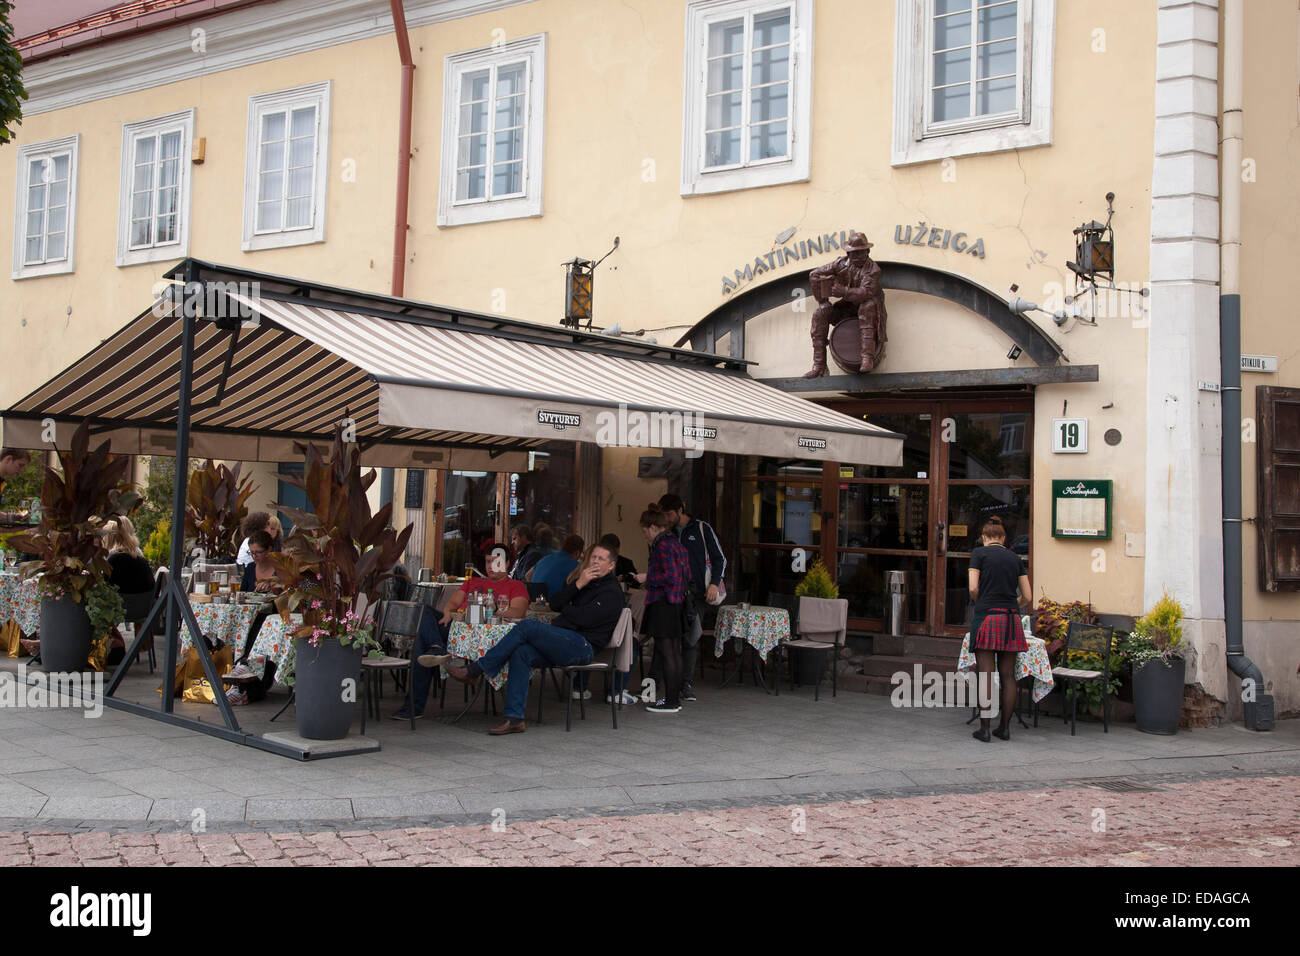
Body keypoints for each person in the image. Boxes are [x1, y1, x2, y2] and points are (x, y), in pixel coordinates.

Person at [439, 542, 625, 735]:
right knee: (522, 652)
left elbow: (583, 618)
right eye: (593, 557)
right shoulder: (585, 583)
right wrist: (578, 584)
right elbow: (556, 604)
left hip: (584, 646)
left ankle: (476, 669)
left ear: (610, 566)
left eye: (600, 559)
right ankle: (515, 719)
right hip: (565, 639)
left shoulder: (611, 592)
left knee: (527, 626)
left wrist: (568, 611)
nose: (594, 561)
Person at [392, 556, 529, 720]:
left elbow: (518, 612)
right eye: (487, 561)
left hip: (489, 635)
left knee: (422, 641)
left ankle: (413, 706)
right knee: (423, 610)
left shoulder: (516, 585)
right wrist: (448, 612)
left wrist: (494, 609)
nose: (491, 566)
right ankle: (436, 646)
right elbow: (452, 603)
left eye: (496, 562)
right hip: (457, 629)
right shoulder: (472, 582)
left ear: (507, 564)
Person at [968, 515, 1032, 743]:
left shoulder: (978, 554)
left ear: (984, 537)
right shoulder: (1015, 558)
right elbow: (1028, 596)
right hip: (1011, 618)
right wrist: (1015, 604)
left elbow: (973, 587)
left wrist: (981, 600)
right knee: (1008, 676)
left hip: (987, 616)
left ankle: (984, 730)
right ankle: (1004, 728)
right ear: (1003, 538)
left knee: (985, 674)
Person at [658, 493, 727, 702]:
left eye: (670, 514)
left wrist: (714, 583)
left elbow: (720, 558)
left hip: (696, 595)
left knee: (690, 638)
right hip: (671, 593)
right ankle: (670, 681)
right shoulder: (665, 534)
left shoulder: (701, 529)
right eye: (665, 514)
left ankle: (685, 683)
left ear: (680, 510)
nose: (668, 518)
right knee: (670, 639)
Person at [802, 230, 887, 377]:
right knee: (820, 314)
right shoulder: (841, 264)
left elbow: (866, 292)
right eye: (854, 253)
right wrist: (823, 301)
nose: (858, 257)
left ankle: (867, 357)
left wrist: (844, 291)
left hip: (869, 310)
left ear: (867, 252)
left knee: (868, 305)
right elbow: (814, 275)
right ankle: (819, 365)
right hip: (847, 309)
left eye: (861, 253)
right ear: (848, 253)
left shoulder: (873, 270)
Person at [634, 505, 691, 714]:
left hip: (663, 603)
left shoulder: (662, 546)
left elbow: (670, 576)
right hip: (676, 603)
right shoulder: (676, 544)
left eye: (644, 530)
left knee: (667, 653)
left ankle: (671, 701)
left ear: (652, 527)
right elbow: (685, 576)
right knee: (674, 652)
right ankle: (673, 698)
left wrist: (647, 578)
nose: (644, 535)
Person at [101, 517, 153, 594]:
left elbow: (103, 588)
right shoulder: (139, 558)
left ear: (108, 539)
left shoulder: (113, 559)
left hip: (118, 604)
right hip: (142, 604)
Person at [528, 534, 583, 602]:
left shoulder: (545, 558)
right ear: (577, 553)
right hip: (555, 605)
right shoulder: (576, 566)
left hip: (535, 603)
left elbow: (528, 575)